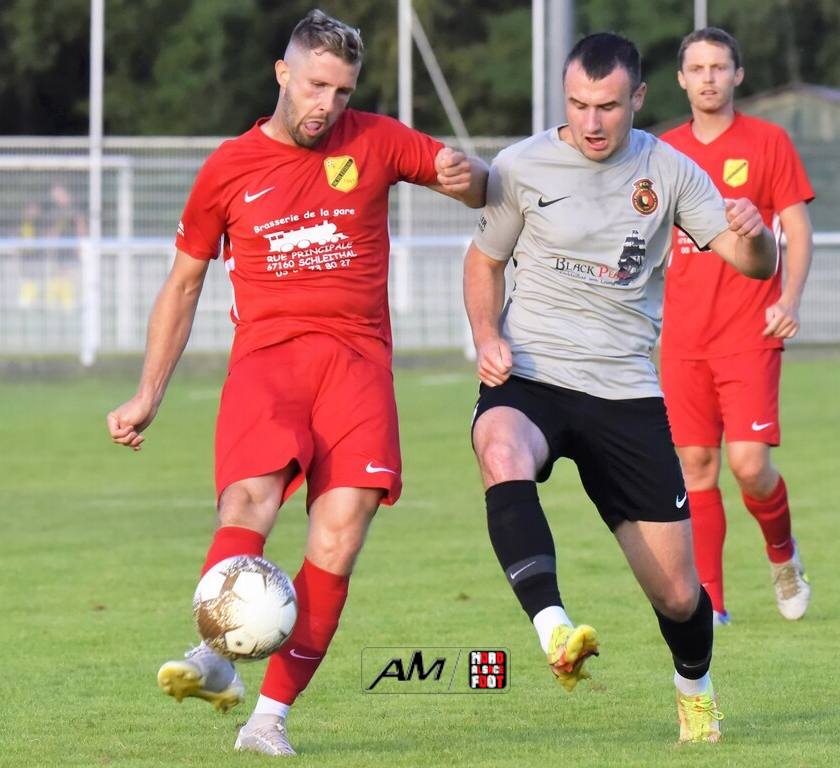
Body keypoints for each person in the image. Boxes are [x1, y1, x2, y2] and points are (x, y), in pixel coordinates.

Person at [106, 9, 486, 756]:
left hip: (357, 367)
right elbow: (183, 285)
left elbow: (475, 187)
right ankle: (216, 651)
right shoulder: (228, 167)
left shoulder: (377, 139)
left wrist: (468, 178)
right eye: (316, 86)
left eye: (342, 91)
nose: (328, 105)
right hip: (267, 363)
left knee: (339, 536)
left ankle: (268, 719)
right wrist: (148, 393)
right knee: (247, 501)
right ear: (283, 74)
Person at [463, 32, 777, 744]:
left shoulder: (670, 170)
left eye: (606, 106)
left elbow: (751, 262)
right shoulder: (520, 165)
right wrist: (486, 336)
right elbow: (483, 261)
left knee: (678, 593)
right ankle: (555, 629)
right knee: (499, 448)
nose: (591, 121)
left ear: (637, 97)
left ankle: (694, 690)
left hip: (624, 393)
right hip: (532, 374)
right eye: (577, 104)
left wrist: (757, 234)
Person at [659, 27, 815, 627]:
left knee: (750, 465)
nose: (708, 78)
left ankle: (783, 555)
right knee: (696, 469)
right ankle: (711, 605)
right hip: (683, 339)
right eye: (697, 68)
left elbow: (796, 229)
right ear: (681, 79)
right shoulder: (662, 151)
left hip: (751, 331)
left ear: (737, 75)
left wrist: (790, 299)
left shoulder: (768, 142)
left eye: (719, 67)